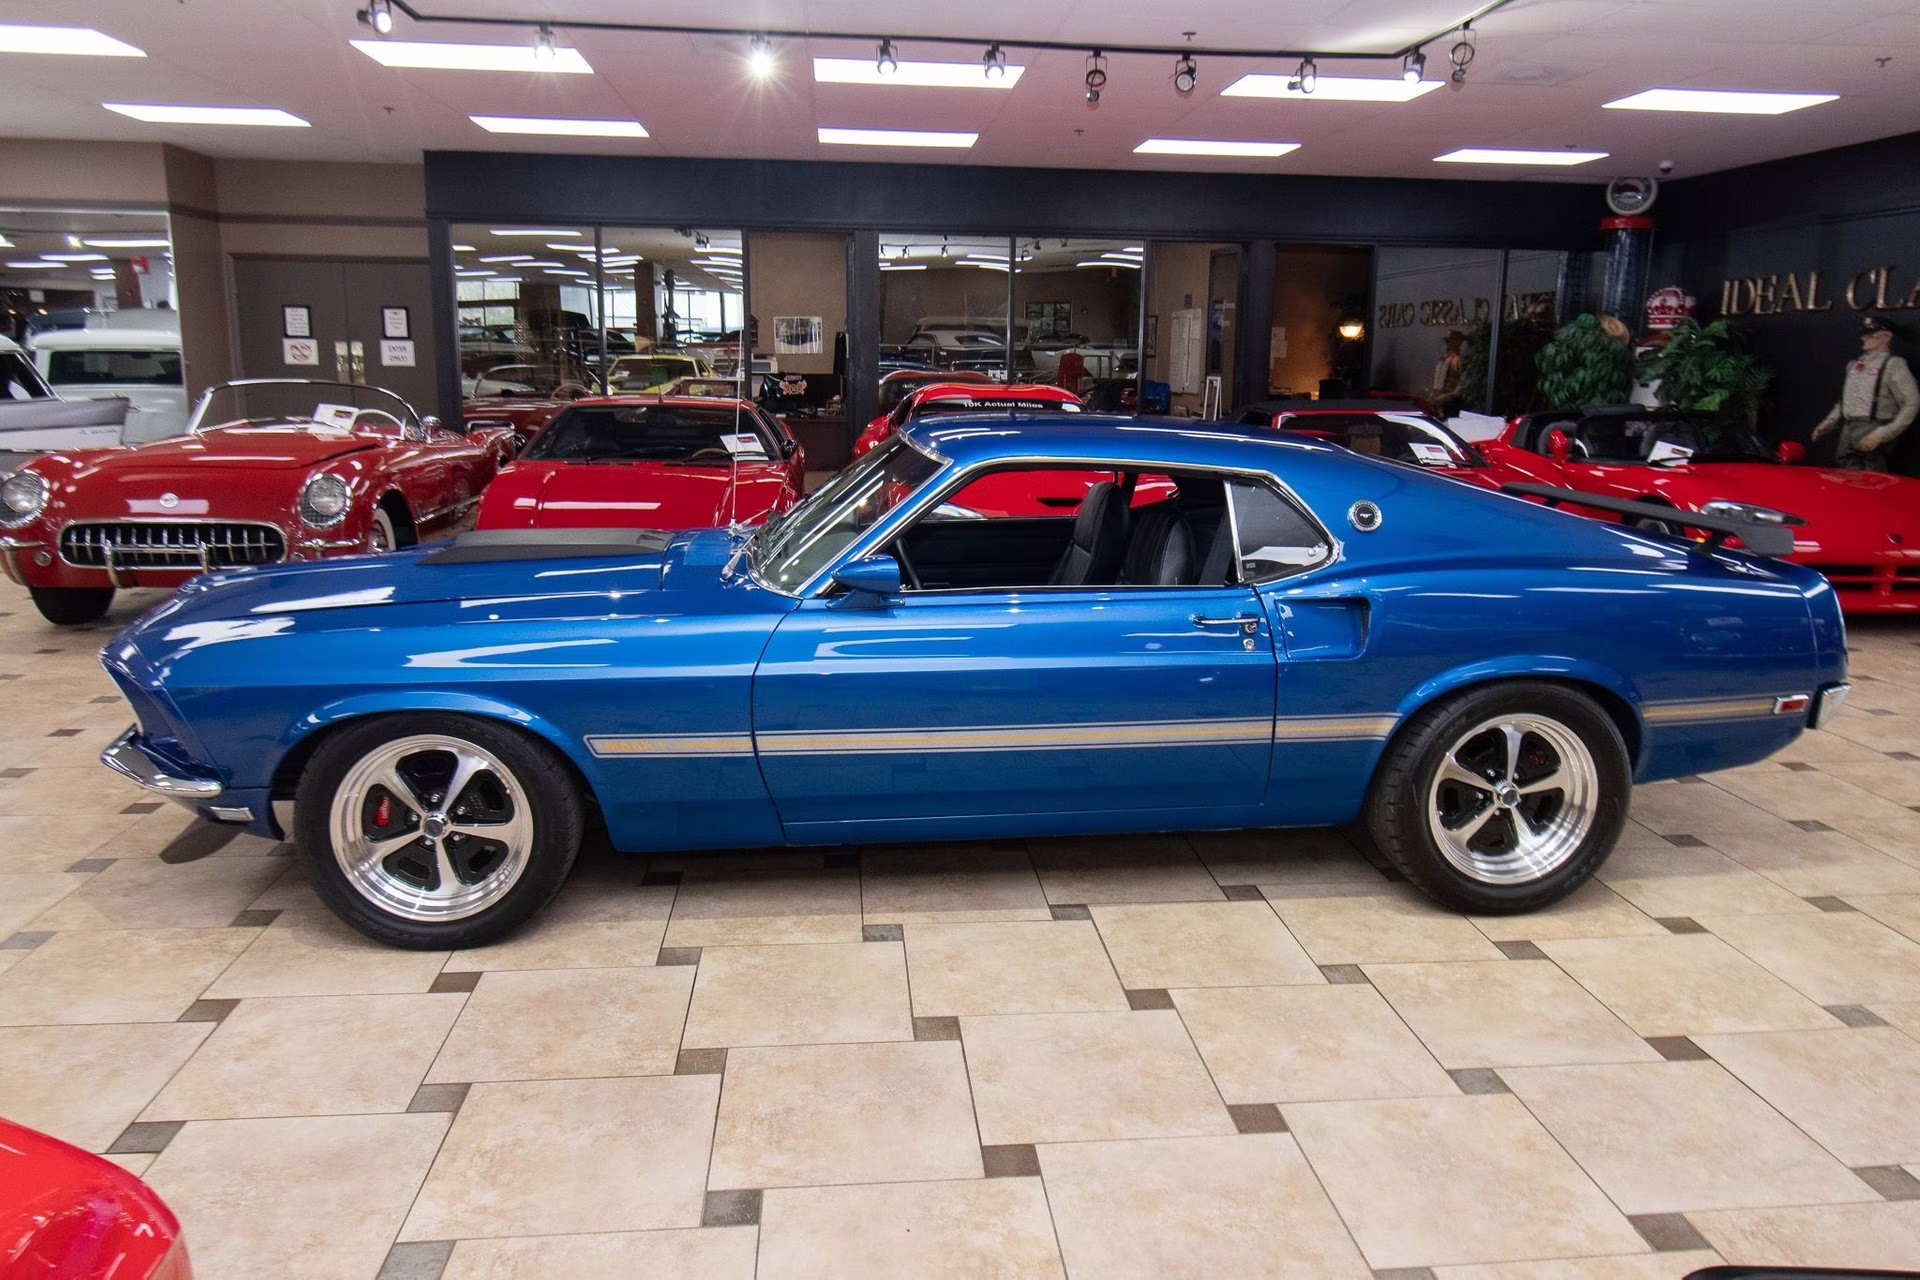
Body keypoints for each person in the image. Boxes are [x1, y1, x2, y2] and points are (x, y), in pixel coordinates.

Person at [1812, 314, 1917, 471]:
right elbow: (1845, 402)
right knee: (1846, 471)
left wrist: (1883, 433)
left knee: (1873, 475)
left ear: (1886, 337)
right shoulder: (1854, 366)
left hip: (1872, 427)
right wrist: (1828, 423)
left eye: (1871, 335)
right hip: (1848, 430)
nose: (1864, 339)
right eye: (1864, 335)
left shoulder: (1893, 365)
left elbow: (1912, 403)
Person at [1429, 329, 1466, 416]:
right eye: (1447, 341)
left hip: (1448, 402)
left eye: (1450, 341)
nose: (1447, 344)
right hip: (1437, 397)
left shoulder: (1458, 360)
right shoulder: (1444, 358)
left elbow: (1463, 382)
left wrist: (1452, 395)